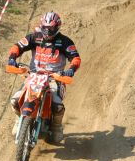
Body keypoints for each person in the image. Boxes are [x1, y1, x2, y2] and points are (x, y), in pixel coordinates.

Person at [7, 11, 81, 143]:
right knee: (15, 100)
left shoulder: (65, 41)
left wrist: (71, 70)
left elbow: (75, 58)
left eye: (50, 28)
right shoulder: (34, 37)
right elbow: (17, 46)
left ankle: (56, 127)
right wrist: (12, 58)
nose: (47, 32)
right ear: (41, 26)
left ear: (57, 27)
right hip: (33, 75)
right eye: (45, 28)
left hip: (55, 78)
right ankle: (19, 120)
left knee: (57, 105)